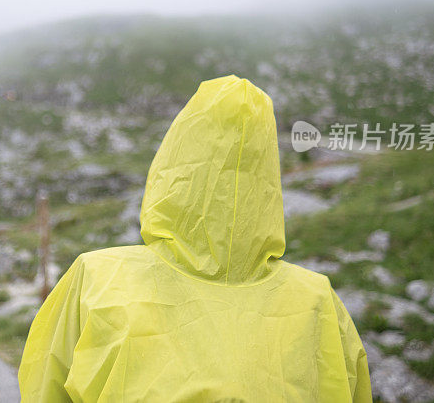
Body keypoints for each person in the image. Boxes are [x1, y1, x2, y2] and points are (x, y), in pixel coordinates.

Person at [19, 75, 372, 402]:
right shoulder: (319, 301)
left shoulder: (96, 278)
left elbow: (43, 387)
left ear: (173, 160)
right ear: (267, 173)